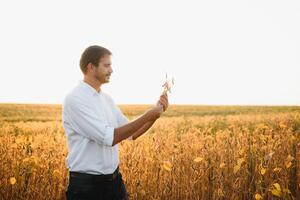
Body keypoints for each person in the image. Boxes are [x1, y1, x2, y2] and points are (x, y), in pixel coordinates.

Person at [62, 45, 169, 200]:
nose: (111, 70)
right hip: (87, 187)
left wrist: (156, 113)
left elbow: (132, 134)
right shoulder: (75, 99)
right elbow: (110, 138)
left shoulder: (106, 99)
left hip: (114, 182)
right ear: (91, 67)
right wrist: (148, 115)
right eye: (107, 65)